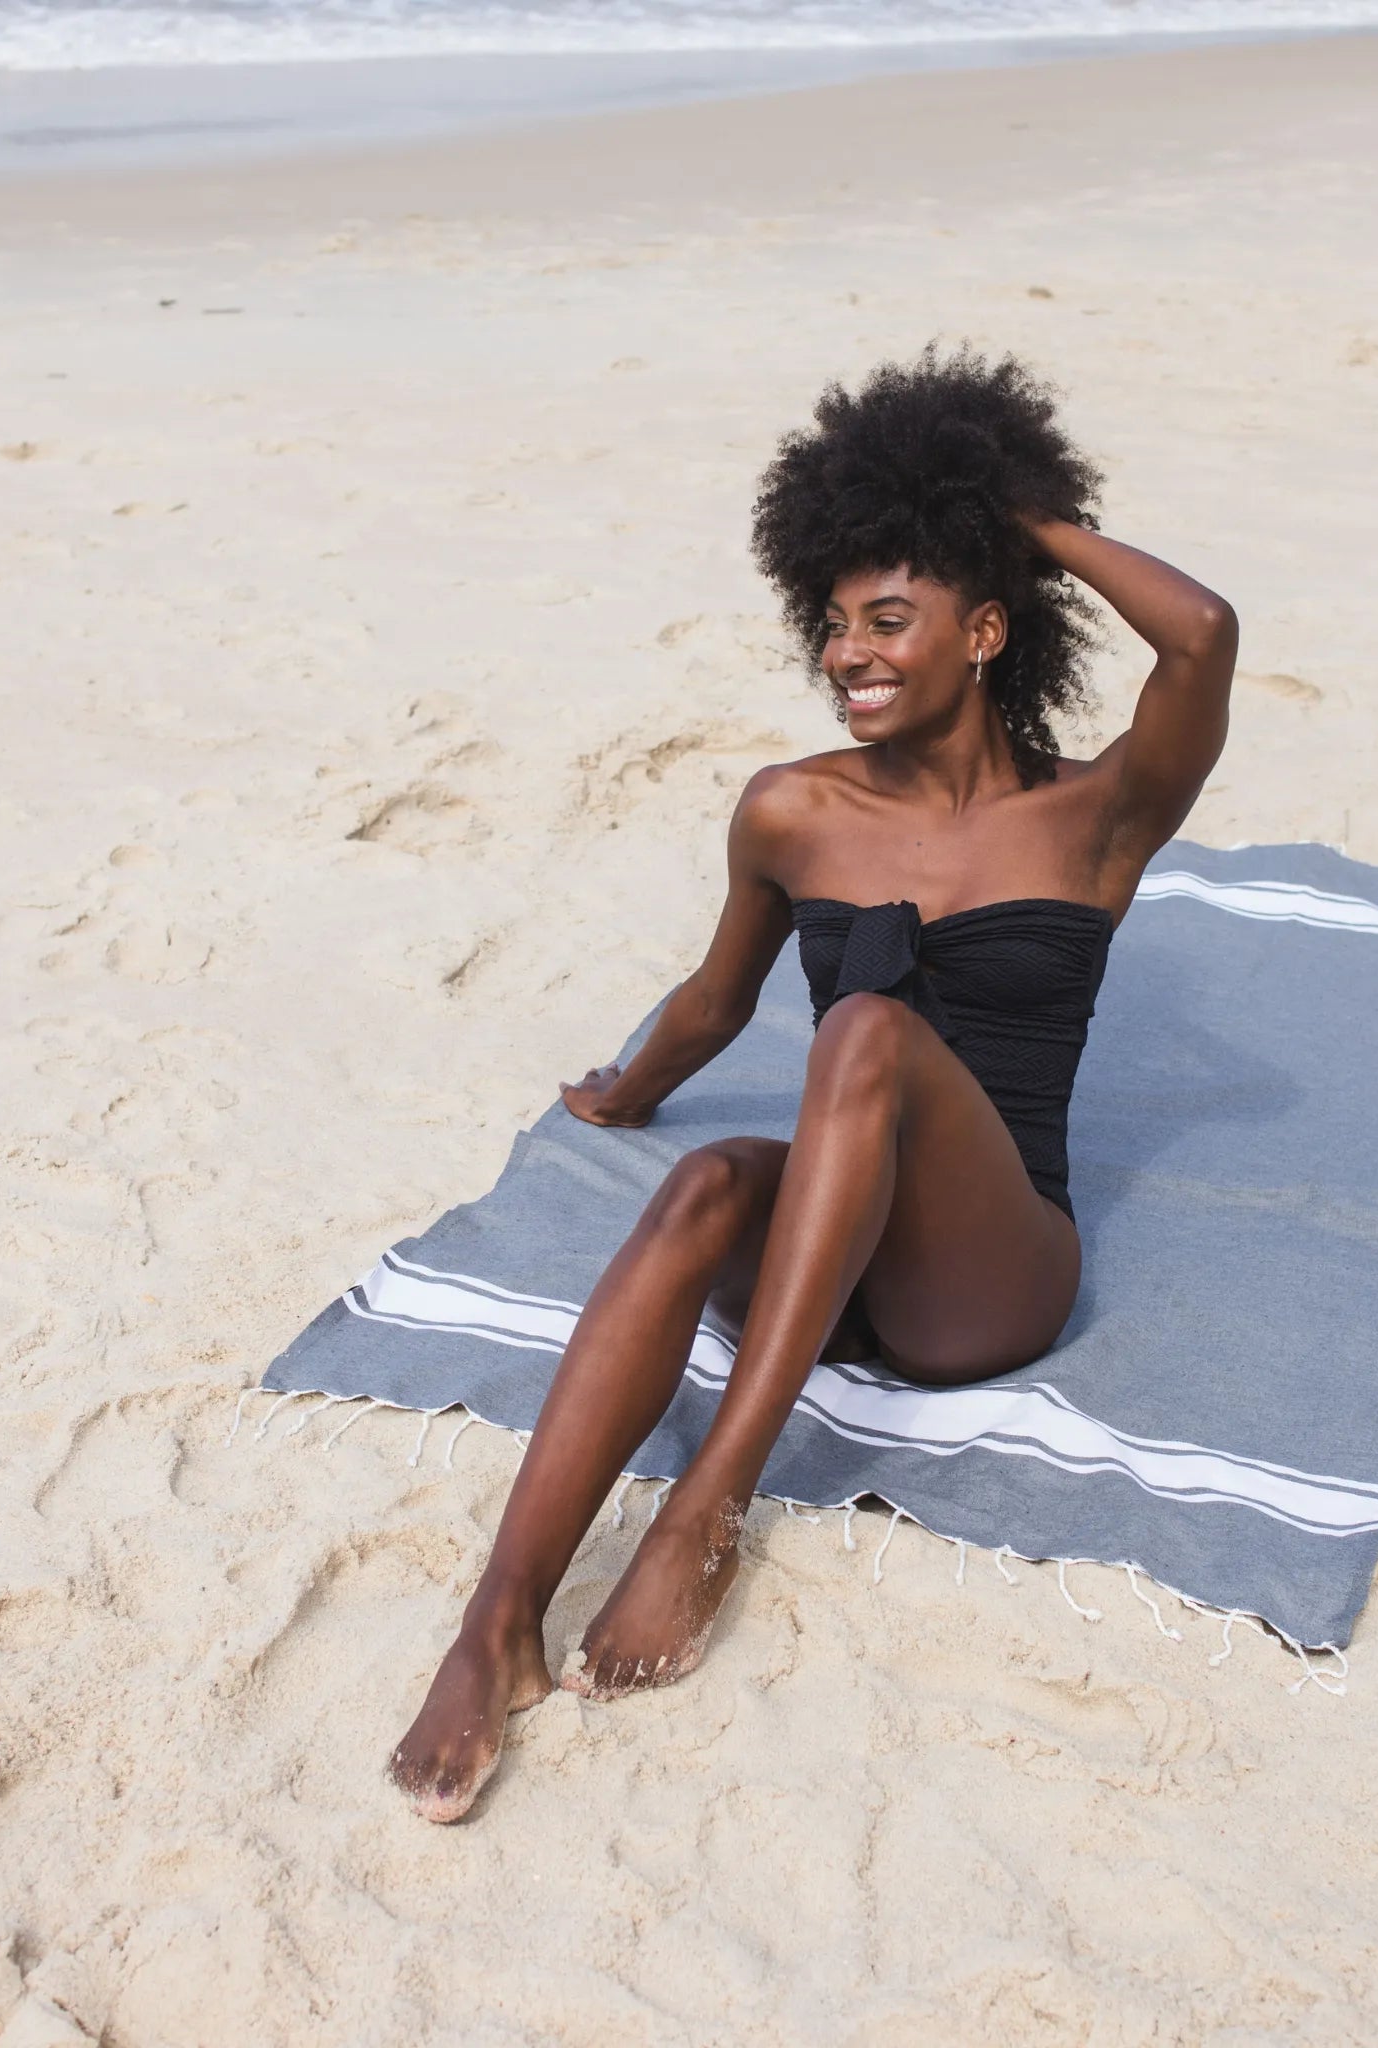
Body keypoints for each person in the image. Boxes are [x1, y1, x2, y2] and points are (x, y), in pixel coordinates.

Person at [390, 346, 1237, 1822]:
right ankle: (498, 1621)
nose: (846, 652)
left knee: (859, 1038)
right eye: (832, 624)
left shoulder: (1093, 821)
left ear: (984, 631)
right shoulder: (793, 810)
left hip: (986, 1276)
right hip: (822, 1255)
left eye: (891, 617)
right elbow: (718, 997)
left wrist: (1004, 513)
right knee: (710, 1177)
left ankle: (708, 1503)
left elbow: (1205, 635)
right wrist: (626, 1085)